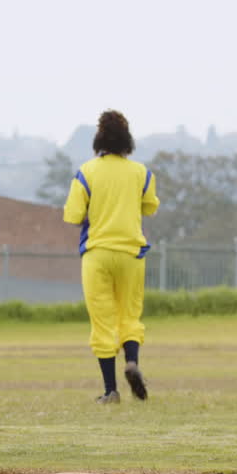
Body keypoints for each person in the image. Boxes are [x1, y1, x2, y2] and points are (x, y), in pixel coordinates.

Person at [62, 110, 160, 404]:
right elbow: (150, 207)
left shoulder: (87, 172)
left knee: (103, 320)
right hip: (131, 254)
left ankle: (111, 391)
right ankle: (132, 362)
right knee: (130, 315)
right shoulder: (142, 173)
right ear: (128, 140)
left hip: (97, 254)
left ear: (99, 138)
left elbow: (73, 215)